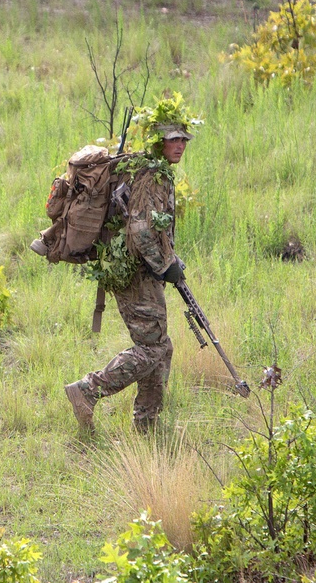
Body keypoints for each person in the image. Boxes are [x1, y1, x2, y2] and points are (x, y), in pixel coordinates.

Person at [64, 124, 191, 435]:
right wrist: (165, 265)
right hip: (134, 272)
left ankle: (147, 424)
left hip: (135, 268)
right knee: (153, 348)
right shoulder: (151, 174)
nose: (180, 146)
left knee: (160, 346)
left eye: (183, 140)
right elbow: (141, 229)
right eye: (173, 140)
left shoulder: (147, 168)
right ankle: (88, 390)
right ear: (158, 142)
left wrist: (170, 259)